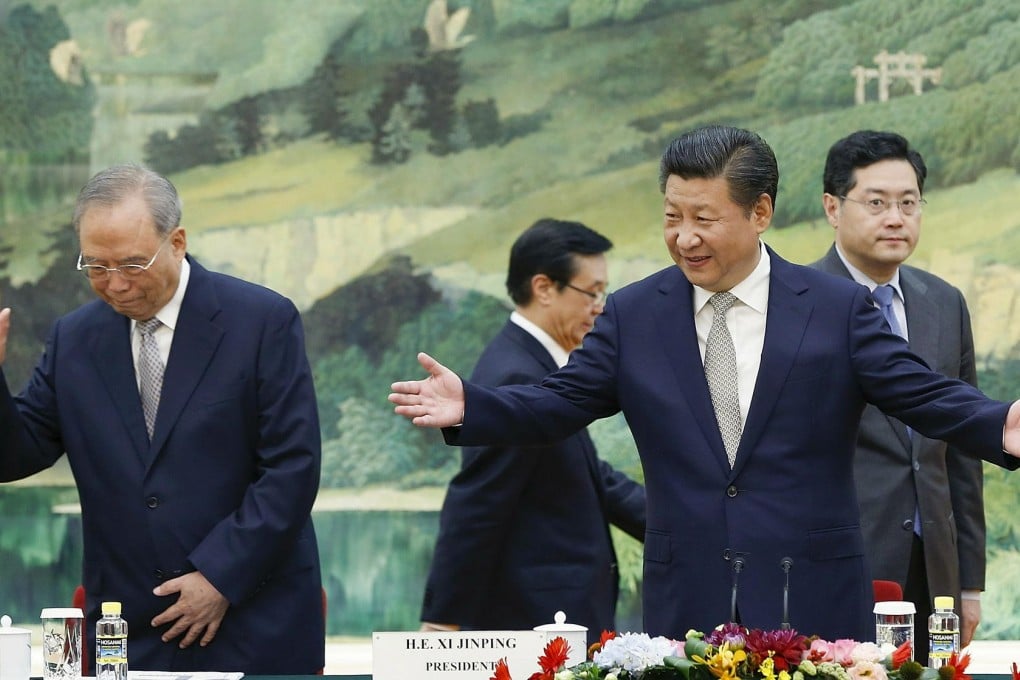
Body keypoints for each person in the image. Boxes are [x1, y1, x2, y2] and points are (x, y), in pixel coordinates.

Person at [389, 125, 1020, 644]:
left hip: (815, 603)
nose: (683, 237)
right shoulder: (636, 315)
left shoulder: (834, 308)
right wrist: (475, 406)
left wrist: (1002, 425)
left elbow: (925, 393)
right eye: (672, 216)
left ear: (760, 212)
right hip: (686, 603)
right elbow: (559, 400)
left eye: (704, 218)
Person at [0, 164, 324, 673]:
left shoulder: (261, 321)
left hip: (251, 617)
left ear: (176, 241)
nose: (115, 285)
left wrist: (219, 576)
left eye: (132, 264)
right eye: (96, 266)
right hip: (125, 628)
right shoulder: (76, 339)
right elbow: (17, 452)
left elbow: (291, 468)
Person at [419, 218, 645, 642]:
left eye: (604, 293)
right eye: (591, 292)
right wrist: (442, 621)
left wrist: (678, 525)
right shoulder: (517, 375)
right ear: (544, 288)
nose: (600, 307)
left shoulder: (540, 364)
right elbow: (477, 502)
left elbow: (592, 474)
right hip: (537, 620)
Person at [810, 130, 984, 661]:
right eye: (877, 203)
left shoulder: (943, 302)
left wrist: (970, 581)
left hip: (933, 568)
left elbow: (962, 446)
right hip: (838, 563)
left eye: (909, 204)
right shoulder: (800, 303)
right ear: (833, 208)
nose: (896, 218)